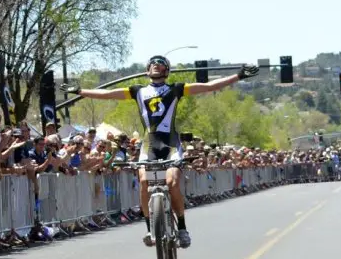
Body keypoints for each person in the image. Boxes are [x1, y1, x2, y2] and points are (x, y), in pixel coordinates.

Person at [60, 55, 258, 248]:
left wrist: (238, 76)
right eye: (152, 63)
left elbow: (208, 87)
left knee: (172, 182)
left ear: (166, 70)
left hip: (170, 143)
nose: (156, 65)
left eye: (160, 63)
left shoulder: (176, 89)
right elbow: (108, 94)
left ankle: (182, 227)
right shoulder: (137, 91)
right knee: (144, 182)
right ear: (147, 70)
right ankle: (149, 229)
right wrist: (80, 91)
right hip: (149, 144)